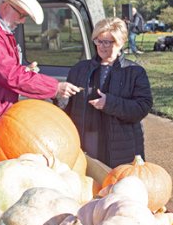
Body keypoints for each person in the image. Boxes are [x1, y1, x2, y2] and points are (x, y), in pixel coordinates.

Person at [64, 17, 152, 168]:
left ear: (121, 42)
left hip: (122, 147)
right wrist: (59, 95)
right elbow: (66, 108)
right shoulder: (79, 69)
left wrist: (109, 103)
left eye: (109, 42)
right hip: (87, 141)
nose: (103, 46)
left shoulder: (134, 72)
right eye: (99, 41)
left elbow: (142, 107)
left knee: (119, 187)